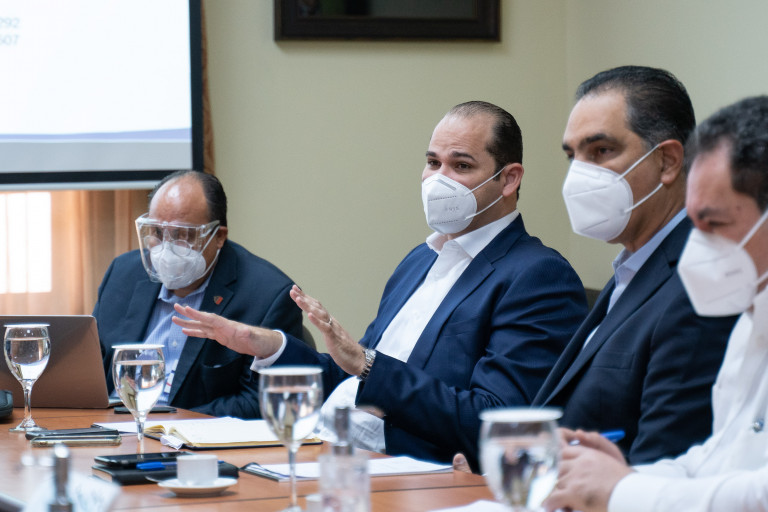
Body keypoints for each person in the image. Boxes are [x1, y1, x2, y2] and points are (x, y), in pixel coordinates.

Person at [173, 101, 588, 469]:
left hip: (411, 472)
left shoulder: (537, 276)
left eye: (461, 166)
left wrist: (367, 364)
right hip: (332, 450)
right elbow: (352, 380)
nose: (438, 179)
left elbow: (497, 421)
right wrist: (268, 345)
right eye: (433, 163)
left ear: (509, 179)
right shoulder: (419, 259)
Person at [544, 94, 768, 512]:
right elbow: (713, 459)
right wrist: (620, 474)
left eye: (716, 223)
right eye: (695, 223)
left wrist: (622, 490)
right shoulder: (750, 323)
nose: (698, 246)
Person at [532, 66, 736, 463]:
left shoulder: (698, 284)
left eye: (601, 151)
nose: (578, 175)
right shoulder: (634, 267)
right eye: (573, 156)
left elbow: (662, 462)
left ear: (668, 162)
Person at [94, 170, 310, 418]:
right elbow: (91, 369)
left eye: (183, 235)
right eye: (157, 233)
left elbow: (262, 401)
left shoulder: (268, 295)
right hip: (111, 426)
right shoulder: (123, 273)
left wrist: (173, 422)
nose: (166, 248)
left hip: (193, 434)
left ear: (218, 236)